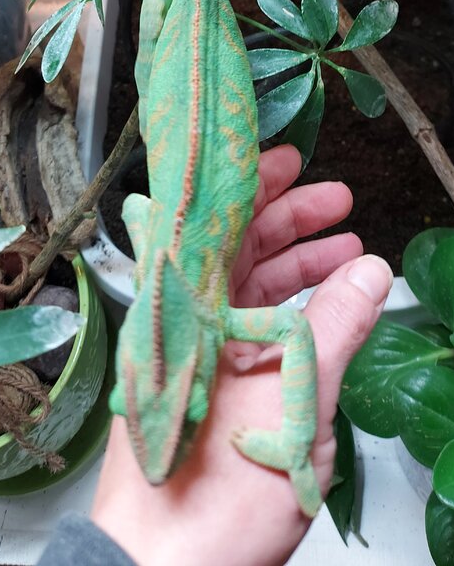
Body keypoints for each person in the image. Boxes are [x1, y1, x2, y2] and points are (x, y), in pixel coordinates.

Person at [40, 144, 393, 566]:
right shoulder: (201, 310)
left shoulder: (211, 319)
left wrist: (296, 441)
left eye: (193, 409)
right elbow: (134, 207)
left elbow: (295, 328)